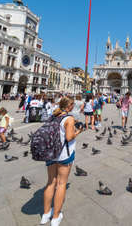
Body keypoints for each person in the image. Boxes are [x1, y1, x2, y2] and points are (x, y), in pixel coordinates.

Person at [42, 97, 83, 226]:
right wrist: (78, 131)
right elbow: (69, 137)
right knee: (61, 183)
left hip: (50, 153)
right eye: (72, 105)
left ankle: (45, 214)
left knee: (50, 183)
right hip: (63, 154)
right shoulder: (69, 119)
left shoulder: (53, 116)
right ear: (69, 106)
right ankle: (55, 217)